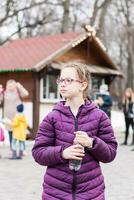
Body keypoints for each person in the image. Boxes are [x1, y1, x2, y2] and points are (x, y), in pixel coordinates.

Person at [32, 62, 117, 200]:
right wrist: (62, 153)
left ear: (82, 85)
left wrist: (91, 142)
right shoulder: (52, 117)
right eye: (61, 80)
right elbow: (38, 153)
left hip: (91, 192)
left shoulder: (100, 116)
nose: (62, 84)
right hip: (55, 193)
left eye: (69, 80)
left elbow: (110, 153)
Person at [0, 79, 29, 150]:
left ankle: (22, 149)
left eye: (12, 85)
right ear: (7, 86)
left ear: (15, 85)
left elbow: (26, 94)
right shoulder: (4, 92)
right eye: (9, 86)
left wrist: (20, 87)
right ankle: (12, 148)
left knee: (20, 133)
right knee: (10, 133)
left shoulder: (18, 91)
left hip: (18, 117)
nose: (11, 87)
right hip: (8, 117)